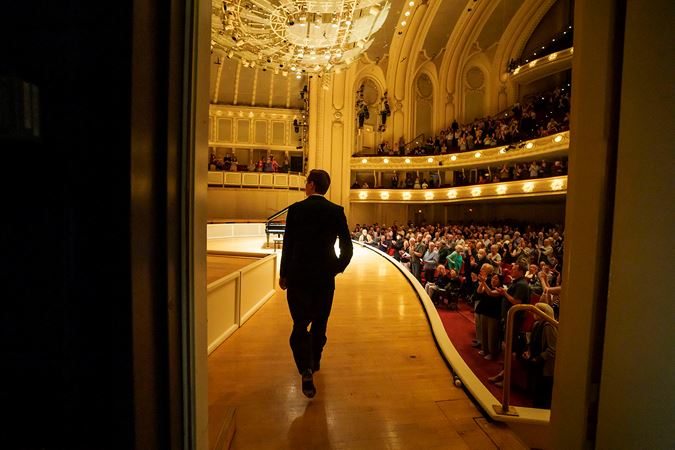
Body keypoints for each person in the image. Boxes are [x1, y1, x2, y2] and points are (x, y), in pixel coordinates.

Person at [279, 169, 353, 398]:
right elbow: (348, 249)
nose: (305, 186)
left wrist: (284, 274)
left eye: (306, 183)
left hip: (299, 277)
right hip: (324, 278)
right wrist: (335, 267)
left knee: (300, 324)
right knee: (320, 322)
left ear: (311, 185)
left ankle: (306, 367)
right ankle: (315, 360)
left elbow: (288, 245)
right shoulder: (336, 211)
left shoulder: (296, 210)